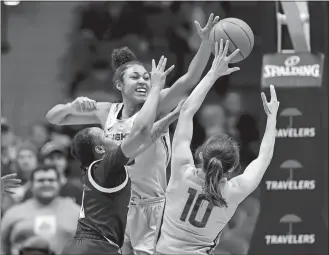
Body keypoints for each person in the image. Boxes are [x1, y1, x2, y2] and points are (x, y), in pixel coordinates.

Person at [46, 14, 222, 255]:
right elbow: (53, 117)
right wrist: (70, 106)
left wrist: (205, 44)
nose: (143, 81)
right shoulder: (106, 110)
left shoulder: (157, 103)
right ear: (119, 84)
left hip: (150, 205)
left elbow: (189, 79)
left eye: (147, 77)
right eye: (135, 77)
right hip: (115, 207)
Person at [154, 41, 279, 255]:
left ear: (201, 154)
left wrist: (213, 72)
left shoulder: (181, 172)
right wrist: (272, 118)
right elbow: (264, 157)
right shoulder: (234, 191)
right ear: (232, 169)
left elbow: (186, 112)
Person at [61, 56, 181, 255]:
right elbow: (143, 133)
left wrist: (172, 116)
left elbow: (146, 139)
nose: (108, 134)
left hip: (78, 245)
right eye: (104, 135)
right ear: (99, 149)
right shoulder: (109, 166)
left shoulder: (95, 170)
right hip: (96, 248)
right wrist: (161, 92)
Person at [1, 165, 80, 255]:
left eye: (51, 180)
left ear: (59, 183)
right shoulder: (13, 213)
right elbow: (2, 248)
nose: (46, 184)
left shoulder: (76, 212)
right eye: (41, 180)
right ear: (31, 184)